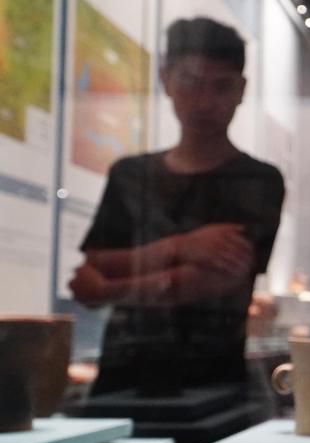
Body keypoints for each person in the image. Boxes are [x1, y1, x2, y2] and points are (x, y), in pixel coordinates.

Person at [69, 17, 285, 396]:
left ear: (241, 90)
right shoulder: (129, 174)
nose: (204, 101)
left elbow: (215, 281)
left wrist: (107, 288)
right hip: (122, 376)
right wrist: (183, 248)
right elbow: (93, 267)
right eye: (190, 82)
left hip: (211, 382)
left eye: (220, 86)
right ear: (166, 78)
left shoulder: (258, 181)